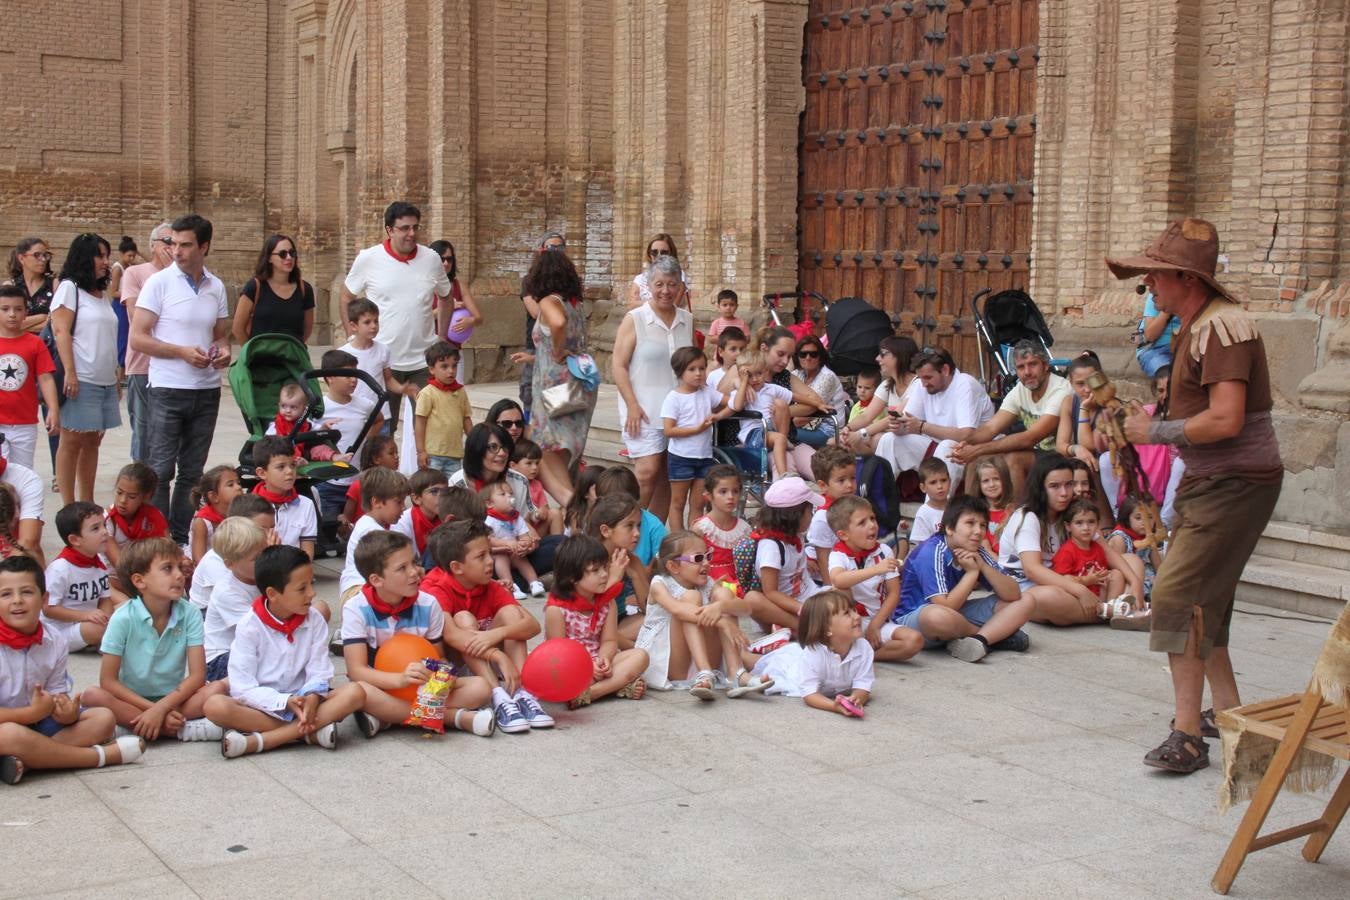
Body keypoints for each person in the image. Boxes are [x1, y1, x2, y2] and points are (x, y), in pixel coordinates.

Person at [1109, 217, 1283, 773]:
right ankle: (1227, 710)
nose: (1149, 287)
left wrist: (1154, 432)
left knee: (1179, 596)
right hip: (1213, 480)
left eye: (1155, 276)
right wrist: (1148, 421)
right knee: (1208, 599)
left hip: (1234, 482)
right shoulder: (1195, 325)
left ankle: (1187, 735)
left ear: (1184, 275)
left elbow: (1228, 419)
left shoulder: (1222, 326)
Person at [205, 546, 367, 757]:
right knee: (215, 706)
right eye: (302, 589)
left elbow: (319, 670)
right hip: (264, 706)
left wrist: (311, 697)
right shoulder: (250, 626)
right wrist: (284, 702)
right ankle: (309, 733)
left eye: (312, 584)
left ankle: (262, 741)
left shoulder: (314, 619)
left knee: (356, 692)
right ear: (272, 594)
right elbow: (242, 686)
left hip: (306, 703)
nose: (312, 593)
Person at [130, 214, 232, 544]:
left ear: (204, 247)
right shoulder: (158, 284)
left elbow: (220, 336)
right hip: (167, 388)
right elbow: (138, 338)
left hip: (205, 389)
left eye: (186, 245)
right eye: (173, 244)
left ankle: (183, 536)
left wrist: (223, 351)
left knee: (192, 471)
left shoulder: (215, 286)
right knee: (160, 470)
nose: (177, 251)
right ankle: (158, 538)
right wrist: (181, 352)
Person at [0, 556, 145, 784]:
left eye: (27, 592)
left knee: (104, 718)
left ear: (44, 599)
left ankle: (28, 760)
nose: (17, 601)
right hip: (8, 726)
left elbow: (57, 696)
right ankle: (98, 757)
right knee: (8, 734)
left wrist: (65, 713)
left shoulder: (54, 639)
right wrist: (29, 715)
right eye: (6, 594)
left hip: (38, 725)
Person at [340, 530, 495, 738]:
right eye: (402, 568)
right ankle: (457, 718)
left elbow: (438, 657)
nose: (414, 572)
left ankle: (388, 717)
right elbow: (357, 670)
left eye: (414, 562)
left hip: (423, 688)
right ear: (377, 580)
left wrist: (437, 673)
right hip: (379, 687)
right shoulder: (356, 608)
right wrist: (400, 680)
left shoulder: (428, 604)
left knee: (481, 688)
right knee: (360, 691)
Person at [421, 520, 553, 733]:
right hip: (453, 664)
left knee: (511, 614)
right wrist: (497, 655)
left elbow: (532, 625)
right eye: (481, 556)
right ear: (457, 567)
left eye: (489, 553)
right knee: (464, 618)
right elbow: (453, 636)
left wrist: (497, 633)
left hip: (484, 654)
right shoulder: (436, 588)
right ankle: (498, 696)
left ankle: (521, 693)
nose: (490, 561)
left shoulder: (489, 585)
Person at [82, 537, 218, 741]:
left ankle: (137, 726)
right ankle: (173, 728)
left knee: (216, 690)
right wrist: (153, 709)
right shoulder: (123, 618)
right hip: (133, 701)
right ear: (139, 581)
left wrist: (162, 708)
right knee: (92, 696)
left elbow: (198, 676)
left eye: (180, 568)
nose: (179, 575)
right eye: (168, 569)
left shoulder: (189, 613)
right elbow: (108, 681)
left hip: (174, 700)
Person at [893, 497, 1035, 663]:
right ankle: (995, 637)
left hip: (955, 616)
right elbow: (943, 605)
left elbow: (1013, 593)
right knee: (937, 616)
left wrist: (982, 566)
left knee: (1027, 599)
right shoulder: (932, 551)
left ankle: (980, 640)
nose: (978, 531)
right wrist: (971, 574)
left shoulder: (976, 551)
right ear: (950, 528)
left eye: (982, 525)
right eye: (970, 523)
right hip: (915, 621)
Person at [637, 530, 768, 697]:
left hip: (700, 658)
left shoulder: (707, 584)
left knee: (724, 596)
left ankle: (735, 673)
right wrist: (722, 621)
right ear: (673, 566)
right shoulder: (659, 584)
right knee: (692, 597)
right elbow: (679, 610)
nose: (706, 563)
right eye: (698, 558)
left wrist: (721, 607)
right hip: (672, 665)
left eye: (708, 556)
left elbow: (747, 609)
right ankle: (704, 671)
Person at [612, 253, 695, 514]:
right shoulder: (634, 319)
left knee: (666, 480)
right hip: (643, 410)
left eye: (672, 284)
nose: (666, 291)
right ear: (649, 285)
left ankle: (653, 541)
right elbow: (618, 365)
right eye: (659, 284)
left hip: (679, 413)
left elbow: (690, 366)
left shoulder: (687, 319)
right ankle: (624, 526)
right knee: (647, 473)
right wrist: (632, 405)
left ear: (680, 286)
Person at [340, 201, 451, 393]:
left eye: (415, 227)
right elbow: (346, 296)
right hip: (382, 359)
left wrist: (442, 336)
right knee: (383, 422)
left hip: (424, 360)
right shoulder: (368, 258)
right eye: (405, 228)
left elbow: (446, 297)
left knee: (429, 422)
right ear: (390, 230)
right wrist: (352, 335)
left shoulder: (431, 259)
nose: (412, 233)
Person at [51, 233, 121, 505]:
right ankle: (69, 505)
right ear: (84, 257)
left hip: (104, 379)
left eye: (107, 255)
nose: (106, 261)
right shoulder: (69, 288)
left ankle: (87, 501)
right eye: (100, 255)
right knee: (72, 441)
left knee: (93, 442)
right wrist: (70, 371)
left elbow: (107, 337)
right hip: (81, 377)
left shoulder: (102, 295)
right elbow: (61, 331)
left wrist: (115, 375)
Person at [522, 246, 595, 505]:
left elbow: (557, 324)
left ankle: (572, 506)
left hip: (556, 386)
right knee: (564, 449)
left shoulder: (548, 301)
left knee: (545, 445)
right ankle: (572, 505)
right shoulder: (574, 305)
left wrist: (556, 349)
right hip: (578, 384)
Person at [951, 341, 1072, 494]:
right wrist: (965, 444)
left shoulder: (1061, 390)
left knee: (1014, 459)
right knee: (976, 460)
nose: (1027, 372)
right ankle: (970, 512)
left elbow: (1030, 438)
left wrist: (977, 449)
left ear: (1046, 365)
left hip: (1061, 455)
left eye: (1032, 364)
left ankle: (1017, 514)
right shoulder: (1020, 389)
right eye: (1021, 367)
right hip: (1036, 453)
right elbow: (991, 428)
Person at [543, 534, 650, 708]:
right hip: (570, 666)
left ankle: (591, 693)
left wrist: (604, 660)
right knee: (560, 677)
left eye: (604, 568)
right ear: (572, 577)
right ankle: (616, 686)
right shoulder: (557, 609)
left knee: (641, 656)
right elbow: (558, 654)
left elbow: (608, 641)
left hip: (597, 662)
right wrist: (589, 666)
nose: (604, 575)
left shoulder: (608, 602)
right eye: (595, 571)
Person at [997, 453, 1101, 626]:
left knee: (1129, 562)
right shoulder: (1028, 516)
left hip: (1067, 580)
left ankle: (1103, 609)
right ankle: (1109, 612)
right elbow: (1032, 570)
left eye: (1069, 484)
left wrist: (1134, 582)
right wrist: (1079, 590)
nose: (1064, 493)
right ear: (1040, 488)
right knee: (1049, 598)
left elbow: (1106, 549)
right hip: (1026, 589)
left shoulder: (1071, 509)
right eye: (1054, 486)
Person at [825, 496, 923, 663]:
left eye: (872, 518)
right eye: (862, 523)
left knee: (914, 641)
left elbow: (894, 593)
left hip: (878, 620)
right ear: (843, 535)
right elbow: (839, 580)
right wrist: (876, 570)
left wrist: (875, 625)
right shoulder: (838, 555)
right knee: (838, 591)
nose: (872, 525)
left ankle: (860, 655)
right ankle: (851, 649)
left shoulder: (884, 551)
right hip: (849, 622)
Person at [877, 346, 995, 485]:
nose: (924, 383)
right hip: (934, 445)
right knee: (889, 439)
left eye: (928, 377)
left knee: (947, 447)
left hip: (971, 450)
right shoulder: (923, 384)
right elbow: (910, 421)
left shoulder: (965, 384)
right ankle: (879, 498)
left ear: (945, 370)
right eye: (921, 378)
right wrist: (900, 427)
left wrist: (922, 427)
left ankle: (938, 505)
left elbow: (967, 435)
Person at [749, 590, 873, 716]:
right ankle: (741, 648)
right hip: (790, 669)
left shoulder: (864, 648)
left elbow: (863, 684)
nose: (857, 616)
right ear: (827, 629)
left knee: (768, 659)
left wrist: (855, 699)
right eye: (847, 613)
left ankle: (777, 643)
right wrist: (834, 706)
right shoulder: (814, 654)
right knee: (757, 663)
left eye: (854, 610)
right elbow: (810, 694)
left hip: (801, 658)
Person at [661, 346, 736, 529]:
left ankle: (695, 541)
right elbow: (669, 430)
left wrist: (721, 413)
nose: (698, 373)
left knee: (698, 504)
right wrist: (696, 429)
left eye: (702, 368)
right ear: (680, 372)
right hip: (681, 457)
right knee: (678, 503)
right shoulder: (674, 398)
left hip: (704, 457)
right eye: (692, 369)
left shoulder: (707, 392)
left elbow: (732, 403)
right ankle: (679, 543)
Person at [118, 222, 173, 463]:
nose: (173, 248)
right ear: (152, 246)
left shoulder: (184, 277)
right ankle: (140, 475)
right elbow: (136, 317)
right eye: (167, 242)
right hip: (142, 365)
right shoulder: (135, 273)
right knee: (142, 427)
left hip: (173, 366)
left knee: (167, 429)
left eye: (178, 243)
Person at [753, 325, 831, 476]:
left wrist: (782, 412)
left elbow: (814, 400)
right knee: (787, 470)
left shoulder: (784, 376)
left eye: (789, 356)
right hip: (759, 441)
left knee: (823, 471)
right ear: (764, 348)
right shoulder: (747, 373)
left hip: (789, 439)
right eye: (781, 354)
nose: (785, 361)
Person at [752, 476, 827, 629]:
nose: (812, 516)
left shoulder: (796, 535)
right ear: (795, 516)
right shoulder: (771, 547)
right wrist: (802, 608)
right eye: (809, 511)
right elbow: (771, 592)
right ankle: (800, 628)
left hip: (809, 597)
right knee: (752, 599)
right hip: (787, 608)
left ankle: (803, 629)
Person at [314, 348, 381, 519]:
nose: (353, 380)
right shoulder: (319, 407)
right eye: (347, 375)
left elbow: (379, 419)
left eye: (355, 375)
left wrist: (367, 441)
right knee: (329, 527)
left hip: (357, 482)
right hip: (328, 483)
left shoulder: (364, 404)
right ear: (330, 377)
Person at [202, 518, 270, 685]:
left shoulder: (263, 577)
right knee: (271, 665)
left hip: (255, 647)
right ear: (230, 564)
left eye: (265, 553)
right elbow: (258, 630)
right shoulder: (227, 591)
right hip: (221, 658)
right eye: (256, 558)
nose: (263, 561)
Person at [1050, 498, 1141, 620]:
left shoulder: (1098, 547)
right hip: (1080, 597)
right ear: (1068, 526)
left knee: (1117, 573)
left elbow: (1103, 569)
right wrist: (1087, 580)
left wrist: (1104, 576)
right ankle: (1117, 610)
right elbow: (1063, 580)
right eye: (1079, 523)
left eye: (1091, 522)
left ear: (1098, 524)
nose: (1086, 527)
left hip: (1100, 593)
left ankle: (1112, 606)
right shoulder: (1066, 551)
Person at [0, 284, 59, 468]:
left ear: (26, 312)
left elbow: (46, 378)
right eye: (5, 309)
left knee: (22, 472)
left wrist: (53, 410)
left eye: (18, 309)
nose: (12, 314)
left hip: (25, 423)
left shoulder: (35, 344)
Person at [42, 501, 113, 652]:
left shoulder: (98, 561)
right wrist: (86, 616)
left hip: (88, 621)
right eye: (96, 528)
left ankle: (101, 639)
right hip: (59, 631)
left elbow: (105, 599)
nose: (104, 532)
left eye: (104, 525)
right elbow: (49, 609)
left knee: (127, 611)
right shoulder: (60, 568)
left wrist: (108, 619)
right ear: (75, 540)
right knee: (97, 628)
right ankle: (100, 640)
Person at [583, 493, 649, 649]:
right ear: (606, 531)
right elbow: (587, 611)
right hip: (590, 628)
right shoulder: (587, 561)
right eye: (629, 526)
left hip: (621, 622)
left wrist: (634, 574)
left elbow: (650, 608)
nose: (637, 533)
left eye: (639, 525)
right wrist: (614, 577)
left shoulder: (631, 559)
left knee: (661, 620)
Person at [514, 232, 568, 418]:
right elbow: (536, 312)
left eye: (560, 248)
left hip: (561, 350)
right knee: (530, 394)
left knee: (557, 403)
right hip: (536, 345)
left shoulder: (569, 284)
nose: (556, 252)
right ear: (541, 250)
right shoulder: (531, 281)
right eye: (551, 248)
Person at [839, 336, 920, 458]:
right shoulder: (888, 384)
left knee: (877, 439)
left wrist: (861, 434)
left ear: (899, 356)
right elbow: (866, 415)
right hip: (893, 436)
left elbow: (894, 417)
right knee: (837, 440)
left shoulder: (918, 384)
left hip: (914, 439)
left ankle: (878, 474)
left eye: (883, 354)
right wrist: (847, 428)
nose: (877, 359)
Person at [339, 467, 411, 605]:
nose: (403, 507)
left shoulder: (370, 523)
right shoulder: (371, 530)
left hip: (362, 588)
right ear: (376, 502)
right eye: (398, 502)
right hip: (357, 592)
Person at [232, 234, 315, 345]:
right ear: (269, 258)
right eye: (283, 254)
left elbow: (307, 330)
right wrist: (252, 354)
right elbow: (238, 329)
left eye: (292, 253)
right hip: (261, 358)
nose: (289, 258)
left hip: (293, 358)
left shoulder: (305, 289)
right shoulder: (255, 287)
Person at [250, 437, 318, 560]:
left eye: (293, 465)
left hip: (293, 571)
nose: (290, 471)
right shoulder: (248, 507)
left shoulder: (306, 504)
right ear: (262, 473)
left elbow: (307, 552)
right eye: (281, 467)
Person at [414, 341, 471, 476]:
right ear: (432, 369)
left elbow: (466, 419)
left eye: (454, 366)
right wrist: (421, 451)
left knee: (452, 491)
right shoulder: (428, 393)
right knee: (432, 489)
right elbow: (420, 423)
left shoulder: (460, 391)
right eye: (444, 367)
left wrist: (476, 441)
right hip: (433, 455)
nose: (451, 371)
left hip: (455, 454)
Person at [481, 479, 545, 599]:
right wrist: (507, 543)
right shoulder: (490, 520)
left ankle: (534, 582)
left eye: (511, 493)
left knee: (521, 558)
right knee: (502, 557)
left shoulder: (516, 518)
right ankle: (511, 586)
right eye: (503, 494)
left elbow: (524, 535)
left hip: (513, 550)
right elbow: (489, 540)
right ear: (490, 504)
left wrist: (525, 544)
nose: (509, 496)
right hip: (497, 552)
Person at [339, 298, 397, 429]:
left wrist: (402, 388)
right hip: (354, 416)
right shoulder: (343, 354)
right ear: (354, 326)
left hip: (381, 414)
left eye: (376, 321)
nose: (374, 326)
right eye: (367, 322)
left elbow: (388, 379)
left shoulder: (383, 350)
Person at [691, 465, 752, 588]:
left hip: (739, 583)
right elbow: (692, 564)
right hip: (708, 584)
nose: (730, 496)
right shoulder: (701, 528)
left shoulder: (744, 528)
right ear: (708, 496)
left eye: (735, 491)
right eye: (723, 491)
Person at [104, 462, 169, 571]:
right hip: (115, 576)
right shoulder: (106, 520)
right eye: (119, 492)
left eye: (132, 497)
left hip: (147, 572)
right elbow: (120, 564)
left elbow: (168, 549)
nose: (123, 500)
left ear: (146, 496)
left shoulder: (154, 517)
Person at [804, 444, 858, 570]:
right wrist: (832, 588)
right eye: (841, 480)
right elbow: (824, 559)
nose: (850, 485)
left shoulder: (852, 504)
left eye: (853, 478)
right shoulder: (823, 517)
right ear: (823, 485)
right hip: (826, 571)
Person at [267, 383, 350, 462]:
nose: (288, 410)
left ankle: (335, 457)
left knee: (321, 448)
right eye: (283, 406)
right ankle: (296, 462)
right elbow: (268, 442)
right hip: (286, 455)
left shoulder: (306, 423)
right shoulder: (276, 426)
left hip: (306, 451)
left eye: (293, 407)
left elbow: (317, 433)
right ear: (279, 405)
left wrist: (324, 427)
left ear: (304, 409)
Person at [428, 240, 483, 360]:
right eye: (441, 259)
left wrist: (470, 321)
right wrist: (447, 307)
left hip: (454, 351)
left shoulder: (459, 286)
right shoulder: (424, 285)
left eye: (450, 259)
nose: (446, 263)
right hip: (428, 352)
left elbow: (479, 318)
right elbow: (419, 318)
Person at [791, 335, 848, 448]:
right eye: (803, 354)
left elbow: (803, 416)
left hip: (828, 430)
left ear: (820, 356)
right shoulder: (797, 374)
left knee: (782, 434)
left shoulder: (827, 377)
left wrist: (783, 417)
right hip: (803, 426)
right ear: (797, 357)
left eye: (813, 354)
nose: (808, 358)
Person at [188, 465, 243, 564]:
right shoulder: (202, 522)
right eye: (231, 485)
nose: (238, 487)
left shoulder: (241, 514)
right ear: (214, 496)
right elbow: (198, 559)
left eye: (238, 483)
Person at [392, 467, 447, 562]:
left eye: (445, 491)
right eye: (434, 491)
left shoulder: (446, 517)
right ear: (416, 498)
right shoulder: (402, 524)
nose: (442, 496)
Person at [625, 233, 692, 311]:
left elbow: (671, 306)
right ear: (649, 254)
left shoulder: (678, 275)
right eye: (654, 252)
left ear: (671, 253)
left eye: (664, 253)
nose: (659, 256)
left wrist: (641, 303)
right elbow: (631, 305)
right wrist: (657, 302)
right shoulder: (640, 278)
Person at [509, 439, 560, 536]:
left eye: (537, 463)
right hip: (515, 530)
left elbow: (545, 508)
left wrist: (542, 512)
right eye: (529, 463)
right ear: (513, 465)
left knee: (555, 513)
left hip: (535, 529)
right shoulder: (509, 484)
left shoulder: (536, 485)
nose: (534, 467)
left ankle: (557, 545)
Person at [6, 236, 55, 335]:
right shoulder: (10, 286)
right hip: (17, 346)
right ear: (21, 258)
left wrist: (19, 326)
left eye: (45, 255)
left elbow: (56, 323)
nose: (43, 259)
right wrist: (42, 317)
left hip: (46, 346)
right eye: (37, 255)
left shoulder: (54, 284)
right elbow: (5, 323)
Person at [972, 456, 1014, 553]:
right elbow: (983, 549)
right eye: (986, 481)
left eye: (996, 479)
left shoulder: (1013, 511)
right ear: (979, 485)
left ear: (1005, 480)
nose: (992, 485)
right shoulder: (976, 512)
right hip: (986, 562)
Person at [1134, 289, 1180, 377]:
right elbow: (1150, 335)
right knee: (1167, 378)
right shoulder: (1156, 295)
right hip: (1154, 350)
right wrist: (1168, 307)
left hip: (1183, 349)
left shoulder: (1195, 297)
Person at [908, 457, 952, 545]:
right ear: (923, 488)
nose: (940, 486)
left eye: (943, 480)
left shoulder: (957, 507)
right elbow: (923, 547)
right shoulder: (923, 513)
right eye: (933, 482)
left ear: (950, 482)